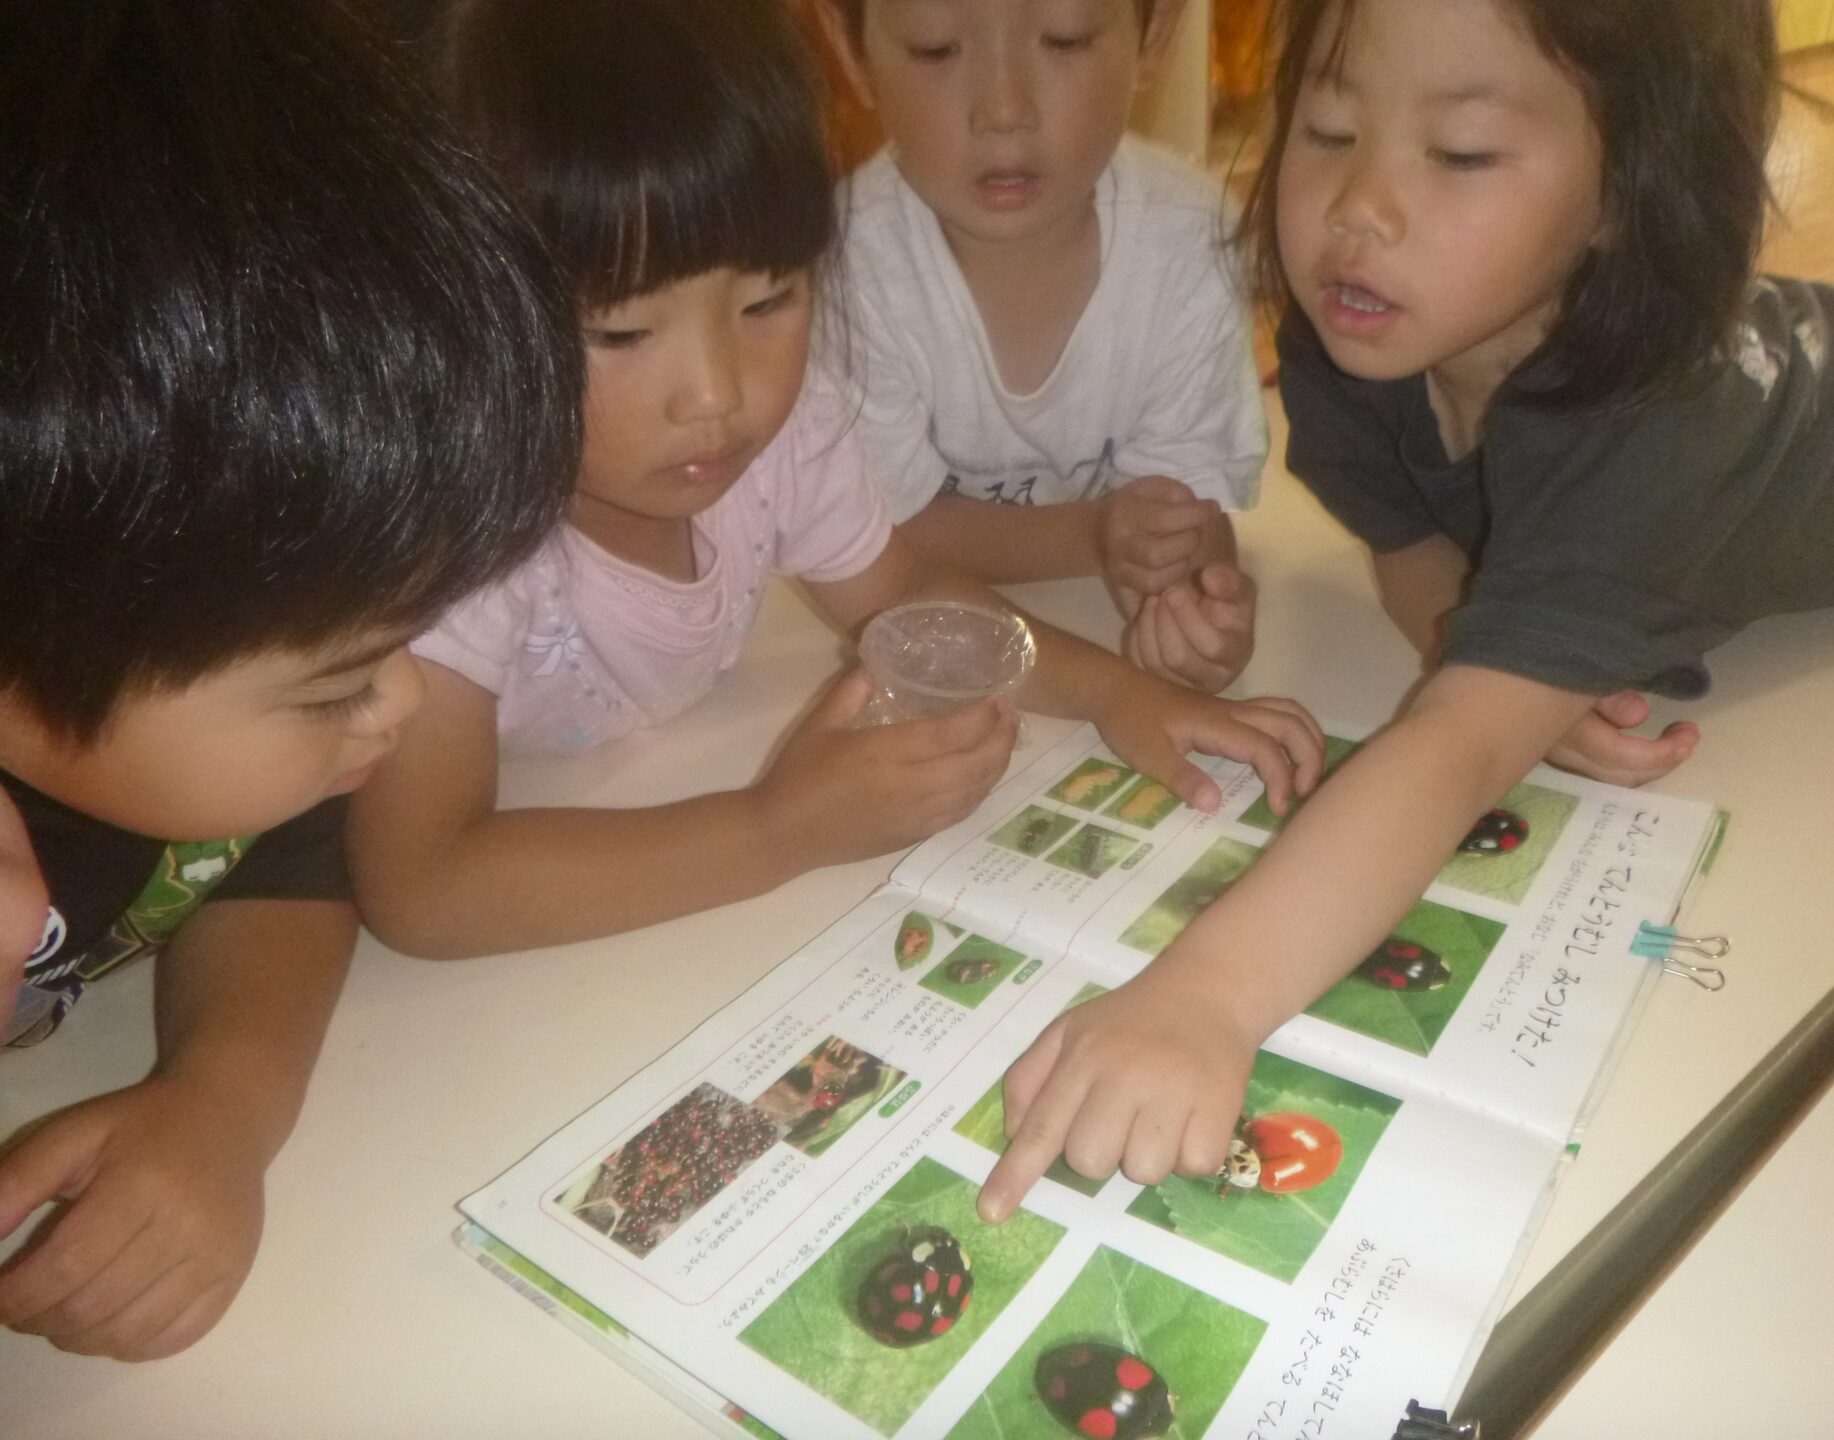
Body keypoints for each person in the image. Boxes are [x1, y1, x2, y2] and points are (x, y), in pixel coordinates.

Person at [976, 0, 1834, 1221]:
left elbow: (1459, 749)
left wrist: (1205, 997)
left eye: (1462, 153)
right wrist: (1493, 649)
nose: (1358, 208)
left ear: (1631, 190)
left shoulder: (1652, 420)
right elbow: (1413, 540)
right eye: (1327, 130)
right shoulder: (1357, 336)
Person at [346, 0, 1324, 961]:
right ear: (461, 310)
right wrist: (775, 829)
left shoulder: (788, 429)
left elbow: (904, 591)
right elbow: (423, 888)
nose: (718, 393)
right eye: (624, 332)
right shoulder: (455, 538)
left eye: (767, 301)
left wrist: (1117, 692)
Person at [0, 0, 579, 1358]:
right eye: (335, 684)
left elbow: (281, 862)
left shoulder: (195, 690)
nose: (404, 703)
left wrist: (220, 1102)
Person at [815, 0, 1267, 694]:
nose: (1004, 112)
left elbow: (1182, 512)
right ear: (852, 52)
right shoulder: (848, 266)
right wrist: (1095, 536)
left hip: (1084, 644)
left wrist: (1194, 608)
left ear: (1154, 34)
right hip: (934, 654)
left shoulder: (1192, 242)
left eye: (1065, 40)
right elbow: (874, 539)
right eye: (937, 49)